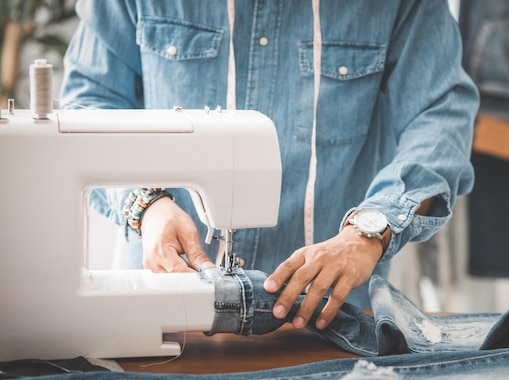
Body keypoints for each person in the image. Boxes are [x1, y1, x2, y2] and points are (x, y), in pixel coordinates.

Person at [61, 0, 479, 331]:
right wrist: (145, 203)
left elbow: (441, 112)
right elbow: (87, 104)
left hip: (327, 327)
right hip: (157, 318)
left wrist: (371, 229)